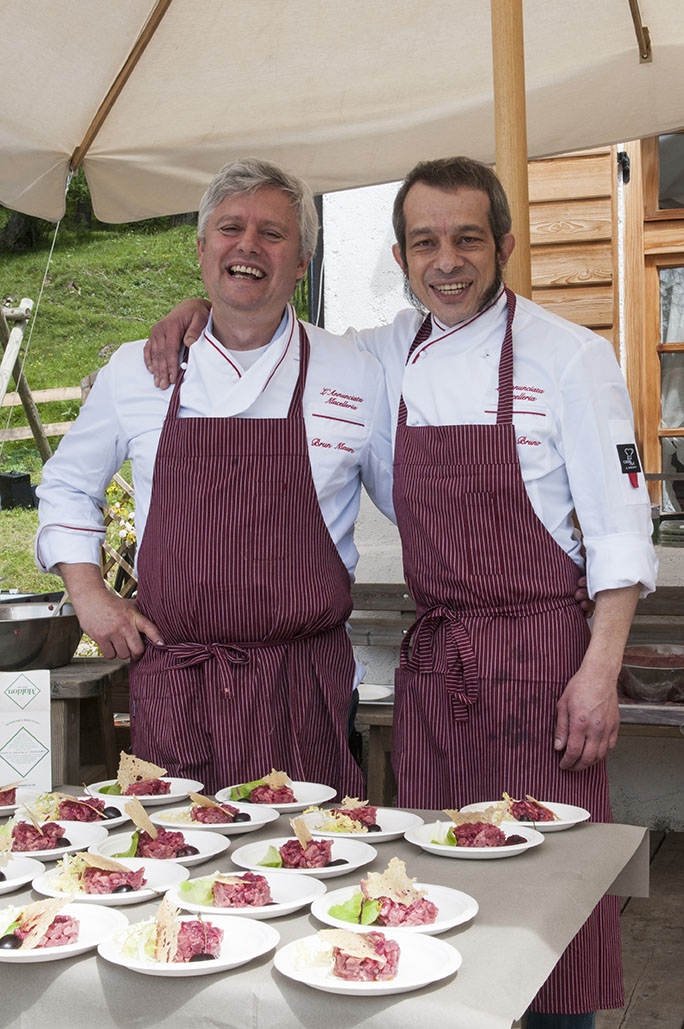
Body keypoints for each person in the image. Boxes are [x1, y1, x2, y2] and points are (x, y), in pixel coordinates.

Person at [145, 157, 657, 1026]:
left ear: (504, 245)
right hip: (437, 672)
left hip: (543, 669)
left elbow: (619, 530)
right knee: (431, 894)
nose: (446, 261)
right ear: (401, 256)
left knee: (550, 897)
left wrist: (599, 671)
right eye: (425, 242)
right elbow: (263, 324)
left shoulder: (573, 357)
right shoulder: (380, 355)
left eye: (467, 239)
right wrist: (198, 310)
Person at [36, 158, 394, 798]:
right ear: (202, 249)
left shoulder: (355, 371)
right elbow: (67, 486)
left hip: (303, 684)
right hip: (179, 684)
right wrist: (89, 595)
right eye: (230, 228)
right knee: (180, 849)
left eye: (272, 233)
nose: (248, 245)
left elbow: (415, 503)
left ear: (303, 262)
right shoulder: (138, 369)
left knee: (309, 848)